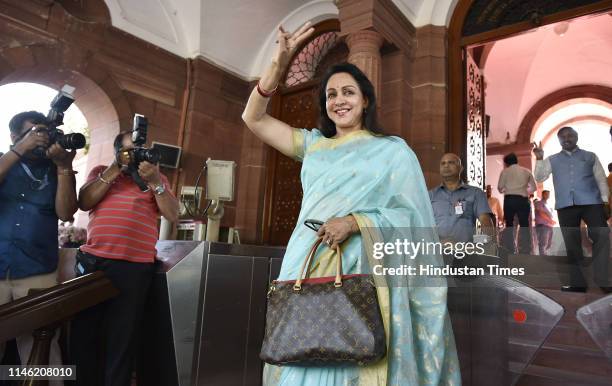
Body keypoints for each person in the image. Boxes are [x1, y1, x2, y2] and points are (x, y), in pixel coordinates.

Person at [242, 22, 460, 386]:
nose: (339, 100)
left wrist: (357, 221)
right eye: (331, 95)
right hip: (306, 261)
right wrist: (278, 66)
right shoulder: (312, 145)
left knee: (356, 353)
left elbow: (411, 217)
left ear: (366, 100)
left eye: (348, 92)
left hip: (363, 268)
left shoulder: (392, 151)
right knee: (301, 347)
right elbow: (253, 118)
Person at [70, 132, 179, 386]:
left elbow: (172, 214)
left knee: (123, 340)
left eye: (139, 149)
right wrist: (115, 168)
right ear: (118, 151)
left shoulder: (156, 178)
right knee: (84, 335)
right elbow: (84, 202)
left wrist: (155, 182)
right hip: (95, 263)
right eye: (130, 151)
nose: (136, 155)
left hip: (135, 267)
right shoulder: (101, 171)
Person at [0, 111, 78, 381]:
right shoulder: (3, 160)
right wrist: (19, 150)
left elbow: (66, 212)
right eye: (34, 132)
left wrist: (63, 167)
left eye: (44, 133)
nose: (41, 139)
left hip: (38, 269)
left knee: (43, 345)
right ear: (14, 136)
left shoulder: (57, 169)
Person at [533, 127, 610, 292]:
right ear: (559, 141)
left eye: (570, 135)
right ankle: (578, 284)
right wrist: (539, 159)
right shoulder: (552, 160)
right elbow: (540, 177)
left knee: (601, 237)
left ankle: (603, 280)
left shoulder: (590, 156)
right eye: (562, 136)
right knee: (572, 244)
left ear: (576, 137)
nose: (566, 138)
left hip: (592, 203)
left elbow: (600, 179)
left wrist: (605, 201)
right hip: (565, 206)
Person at [429, 153, 494, 244]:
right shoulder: (430, 195)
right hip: (437, 252)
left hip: (466, 252)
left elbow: (486, 223)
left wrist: (479, 244)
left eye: (451, 162)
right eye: (443, 163)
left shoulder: (475, 193)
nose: (446, 165)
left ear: (461, 168)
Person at [497, 152, 536, 254]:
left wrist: (507, 189)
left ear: (506, 163)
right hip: (523, 199)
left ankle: (511, 250)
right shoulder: (526, 171)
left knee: (509, 225)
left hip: (509, 200)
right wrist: (524, 191)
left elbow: (500, 188)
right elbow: (534, 187)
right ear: (516, 161)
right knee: (524, 225)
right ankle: (526, 250)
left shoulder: (505, 172)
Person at [534, 190, 555, 255]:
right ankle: (543, 257)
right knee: (543, 242)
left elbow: (550, 215)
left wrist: (551, 221)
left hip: (549, 225)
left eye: (548, 194)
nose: (547, 195)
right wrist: (550, 220)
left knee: (549, 243)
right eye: (546, 194)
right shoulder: (539, 203)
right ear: (542, 194)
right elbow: (540, 212)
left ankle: (545, 255)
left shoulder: (548, 204)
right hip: (542, 225)